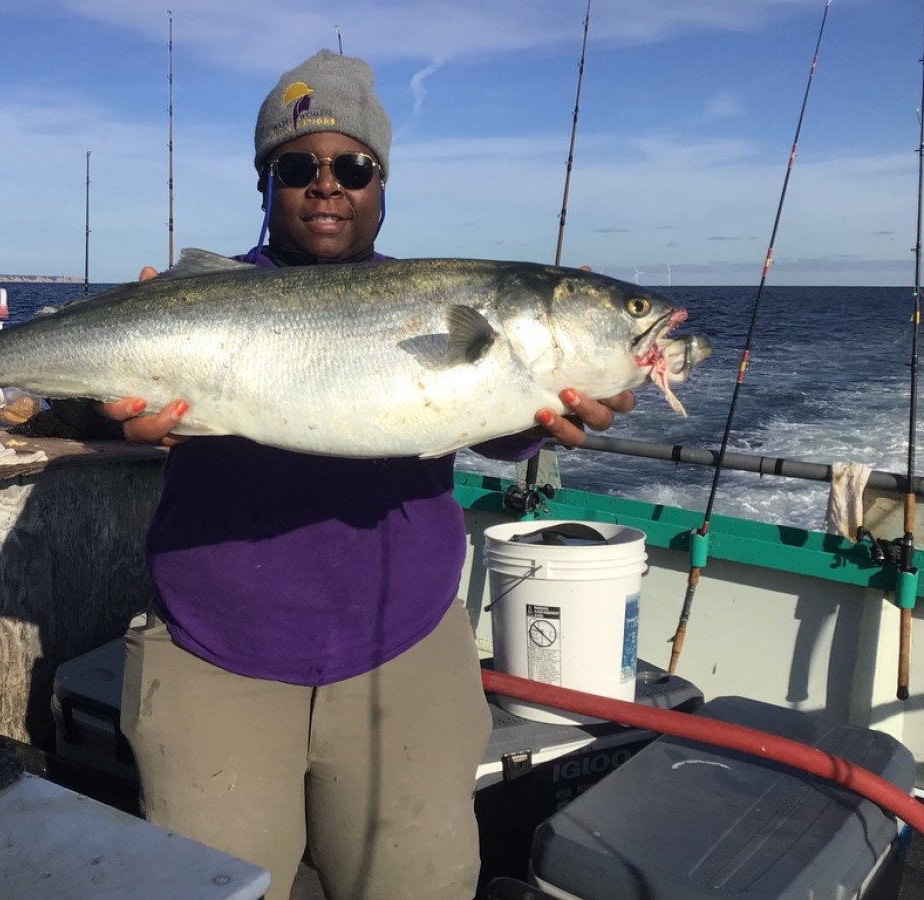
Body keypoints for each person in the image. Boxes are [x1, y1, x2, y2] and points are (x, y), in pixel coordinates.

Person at [101, 50, 633, 900]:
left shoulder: (436, 297)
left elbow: (478, 422)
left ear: (382, 184)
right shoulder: (199, 299)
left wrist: (543, 413)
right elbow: (98, 405)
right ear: (266, 184)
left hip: (405, 648)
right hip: (215, 649)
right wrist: (104, 403)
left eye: (353, 165)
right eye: (296, 167)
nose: (326, 185)